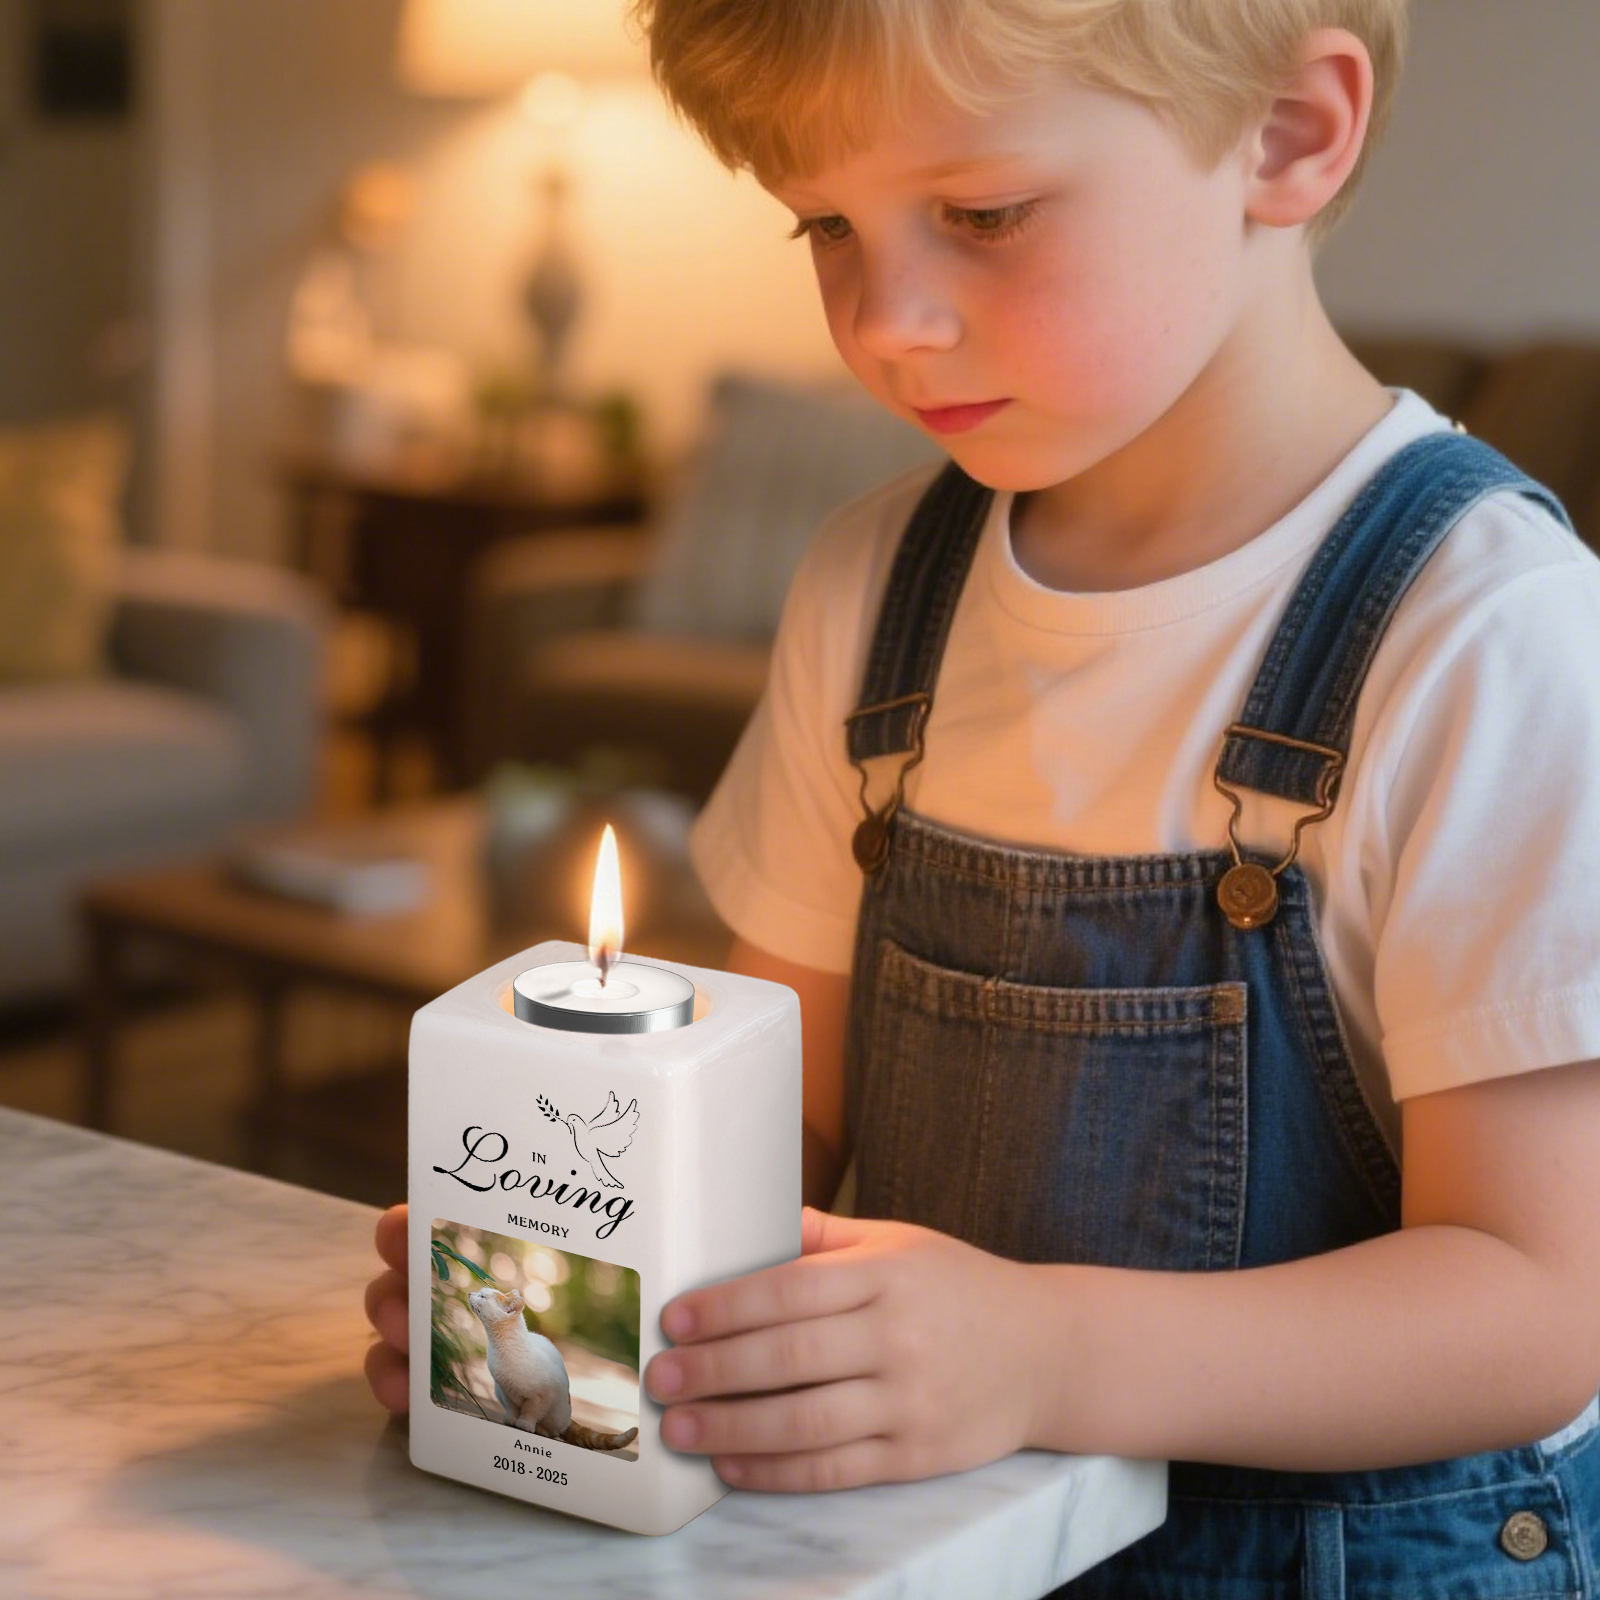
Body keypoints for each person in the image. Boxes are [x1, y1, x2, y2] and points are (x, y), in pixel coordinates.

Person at [366, 0, 1600, 1589]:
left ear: (1288, 132)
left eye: (983, 214)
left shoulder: (1490, 635)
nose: (886, 322)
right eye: (826, 225)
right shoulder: (874, 586)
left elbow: (1538, 1308)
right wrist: (569, 1301)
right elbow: (782, 1115)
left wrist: (1043, 1352)